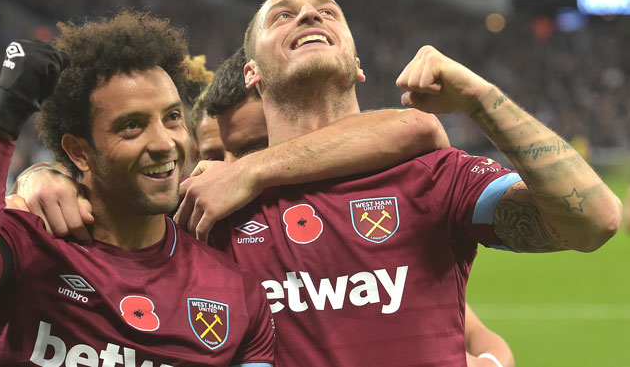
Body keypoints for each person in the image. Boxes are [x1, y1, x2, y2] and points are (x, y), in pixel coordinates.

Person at [0, 0, 620, 366]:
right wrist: (43, 179)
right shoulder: (196, 205)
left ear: (359, 64)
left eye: (327, 10)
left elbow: (594, 218)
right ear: (252, 72)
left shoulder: (433, 176)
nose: (308, 13)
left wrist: (480, 97)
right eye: (282, 14)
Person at [0, 11, 276, 367]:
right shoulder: (29, 239)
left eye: (171, 117)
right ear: (79, 151)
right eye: (132, 126)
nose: (164, 143)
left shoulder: (237, 293)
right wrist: (3, 121)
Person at [200, 47, 514, 367]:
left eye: (253, 149)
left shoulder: (360, 218)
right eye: (213, 155)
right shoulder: (205, 233)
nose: (228, 169)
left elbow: (482, 339)